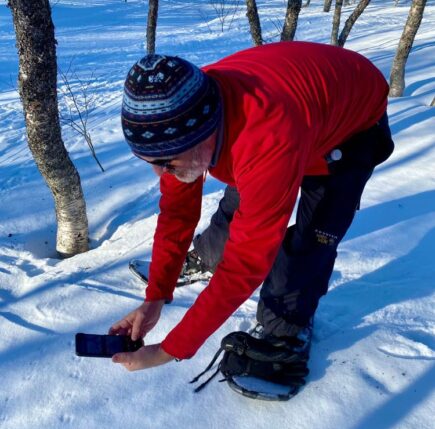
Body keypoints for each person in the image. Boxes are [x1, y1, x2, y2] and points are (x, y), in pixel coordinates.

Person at [109, 41, 394, 373]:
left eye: (165, 163)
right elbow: (177, 213)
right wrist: (156, 295)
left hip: (351, 124)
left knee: (312, 239)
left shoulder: (266, 141)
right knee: (240, 202)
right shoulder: (184, 114)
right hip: (296, 108)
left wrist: (172, 349)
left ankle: (286, 330)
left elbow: (247, 263)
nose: (159, 173)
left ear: (202, 135)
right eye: (150, 162)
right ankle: (210, 254)